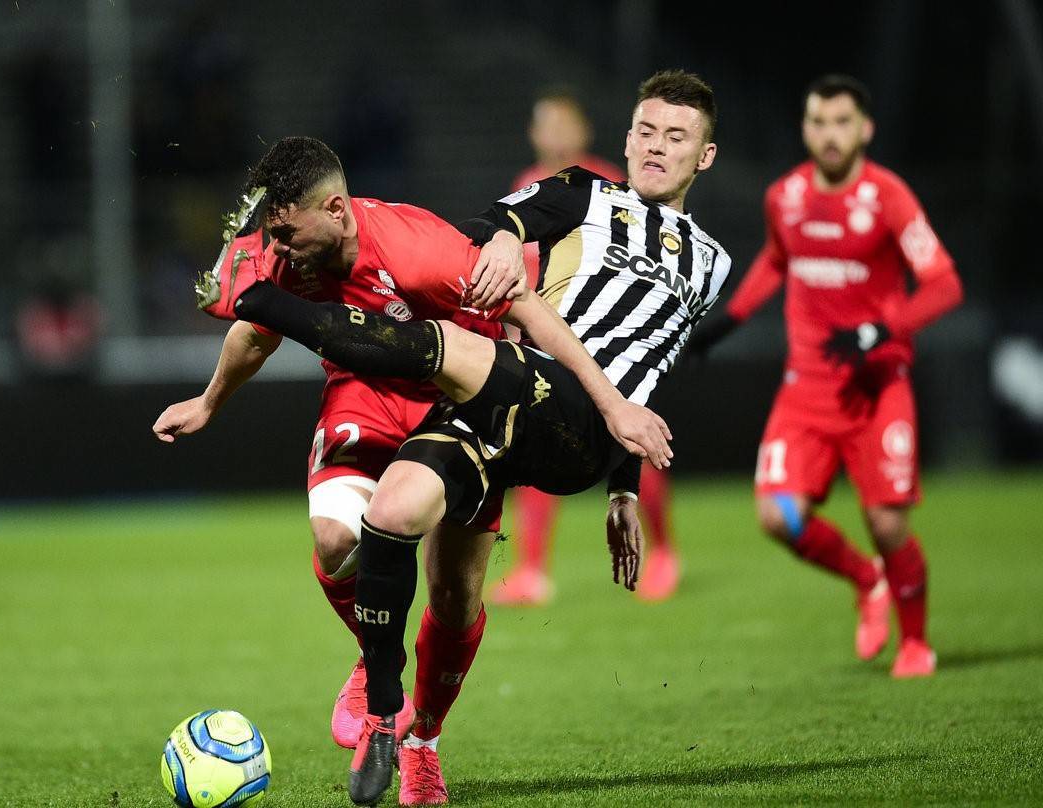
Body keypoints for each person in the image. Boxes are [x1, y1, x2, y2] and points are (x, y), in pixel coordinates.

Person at [210, 69, 728, 805]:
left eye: (675, 137)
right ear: (624, 138)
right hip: (506, 396)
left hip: (575, 412)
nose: (655, 146)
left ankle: (255, 297)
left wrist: (624, 486)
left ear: (703, 156)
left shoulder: (711, 264)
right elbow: (493, 224)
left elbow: (648, 369)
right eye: (645, 130)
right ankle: (411, 735)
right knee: (403, 532)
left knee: (436, 345)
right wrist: (503, 241)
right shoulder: (584, 191)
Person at [154, 138, 529, 806]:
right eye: (272, 232)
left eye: (287, 232)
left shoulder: (421, 253)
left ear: (335, 209)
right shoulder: (289, 251)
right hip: (363, 392)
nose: (278, 246)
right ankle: (376, 656)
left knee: (455, 597)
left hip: (453, 403)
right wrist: (208, 402)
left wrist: (590, 402)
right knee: (334, 538)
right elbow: (256, 333)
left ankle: (422, 744)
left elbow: (515, 321)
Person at [689, 75, 963, 678]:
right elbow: (776, 259)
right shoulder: (785, 196)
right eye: (818, 122)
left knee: (886, 523)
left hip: (876, 384)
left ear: (865, 129)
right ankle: (867, 580)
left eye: (842, 122)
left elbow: (944, 284)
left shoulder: (888, 196)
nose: (829, 134)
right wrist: (729, 321)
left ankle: (915, 644)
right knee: (777, 516)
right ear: (805, 129)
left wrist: (877, 333)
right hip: (807, 388)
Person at [495, 88, 682, 606]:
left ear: (583, 131)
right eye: (546, 125)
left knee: (630, 440)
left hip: (608, 338)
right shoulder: (526, 185)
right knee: (536, 440)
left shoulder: (612, 183)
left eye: (564, 125)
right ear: (533, 134)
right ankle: (533, 570)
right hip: (548, 336)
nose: (555, 135)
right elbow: (522, 267)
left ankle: (664, 552)